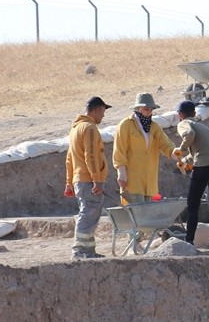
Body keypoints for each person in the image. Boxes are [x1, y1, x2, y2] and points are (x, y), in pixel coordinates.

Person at [175, 100, 209, 251]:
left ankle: (189, 242)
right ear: (194, 113)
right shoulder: (204, 127)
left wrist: (179, 151)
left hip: (204, 166)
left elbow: (189, 135)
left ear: (180, 115)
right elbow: (200, 151)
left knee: (193, 204)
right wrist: (184, 162)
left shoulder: (184, 124)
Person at [64, 95, 111, 259]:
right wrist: (96, 179)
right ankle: (79, 251)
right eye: (103, 111)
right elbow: (90, 154)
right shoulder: (89, 128)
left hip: (80, 179)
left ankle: (88, 251)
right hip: (89, 180)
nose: (103, 116)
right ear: (97, 109)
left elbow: (70, 158)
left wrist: (69, 182)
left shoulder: (75, 129)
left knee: (90, 214)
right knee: (88, 213)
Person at [113, 92, 176, 202]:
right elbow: (119, 150)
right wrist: (121, 172)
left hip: (149, 182)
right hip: (133, 180)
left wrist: (175, 153)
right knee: (137, 214)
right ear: (138, 109)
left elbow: (166, 144)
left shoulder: (154, 126)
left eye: (151, 109)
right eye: (146, 109)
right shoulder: (126, 125)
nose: (149, 112)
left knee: (148, 216)